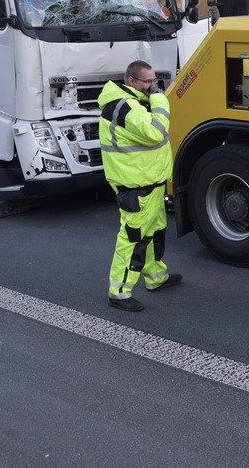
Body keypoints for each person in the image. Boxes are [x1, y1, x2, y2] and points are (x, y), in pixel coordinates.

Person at [99, 60, 181, 311]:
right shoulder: (124, 107)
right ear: (131, 81)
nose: (152, 86)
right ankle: (119, 293)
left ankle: (156, 277)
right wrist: (160, 100)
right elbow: (155, 132)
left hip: (150, 184)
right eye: (147, 81)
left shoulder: (134, 101)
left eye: (154, 80)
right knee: (133, 239)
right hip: (137, 187)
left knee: (154, 234)